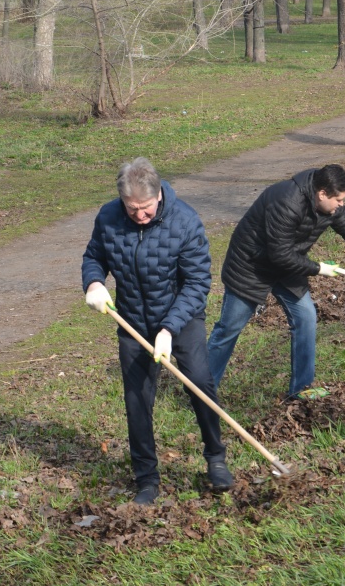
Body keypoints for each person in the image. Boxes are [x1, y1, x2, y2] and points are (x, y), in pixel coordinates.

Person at [82, 157, 232, 506]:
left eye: (146, 208)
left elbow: (196, 283)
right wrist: (93, 283)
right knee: (137, 399)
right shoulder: (108, 217)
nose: (139, 216)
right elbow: (94, 257)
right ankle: (146, 478)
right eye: (132, 209)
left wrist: (168, 329)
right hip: (132, 319)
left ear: (159, 195)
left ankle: (215, 458)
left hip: (182, 319)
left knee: (200, 383)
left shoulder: (186, 222)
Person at [207, 164, 345, 401]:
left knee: (305, 317)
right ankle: (202, 391)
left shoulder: (330, 208)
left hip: (288, 264)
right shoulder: (286, 201)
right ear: (322, 193)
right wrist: (318, 269)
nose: (341, 205)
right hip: (251, 265)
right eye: (338, 199)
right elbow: (279, 254)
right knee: (229, 329)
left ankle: (301, 388)